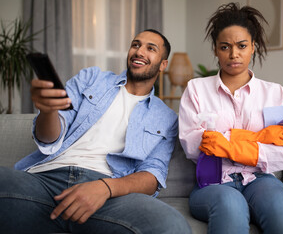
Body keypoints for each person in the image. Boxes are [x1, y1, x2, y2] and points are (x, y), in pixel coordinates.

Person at [0, 29, 192, 234]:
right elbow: (50, 138)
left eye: (150, 48)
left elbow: (152, 176)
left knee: (173, 226)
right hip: (45, 182)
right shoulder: (91, 78)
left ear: (163, 64)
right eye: (135, 45)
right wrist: (48, 111)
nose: (139, 51)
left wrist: (105, 188)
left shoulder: (166, 117)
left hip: (108, 197)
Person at [179, 3, 283, 234]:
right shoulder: (196, 89)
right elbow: (192, 144)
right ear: (216, 50)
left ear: (253, 47)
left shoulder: (276, 93)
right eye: (225, 47)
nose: (233, 54)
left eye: (242, 46)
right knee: (231, 205)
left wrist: (226, 144)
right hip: (213, 183)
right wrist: (258, 138)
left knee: (281, 212)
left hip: (260, 179)